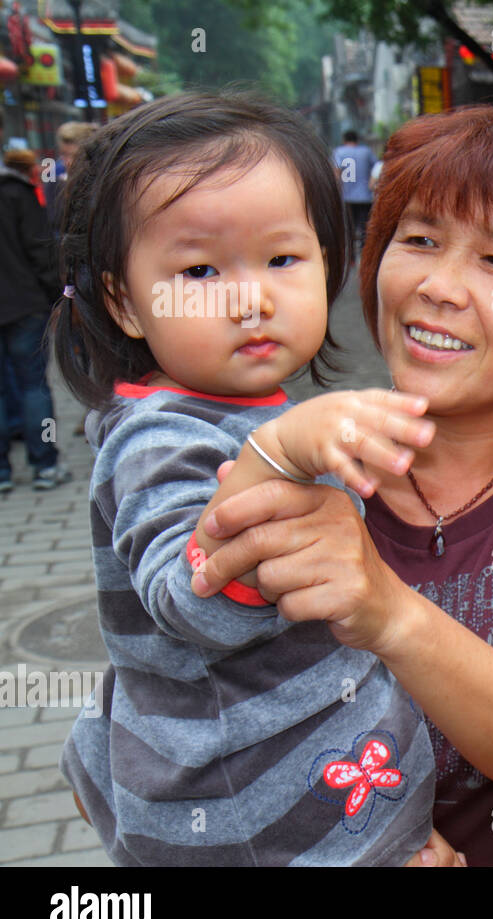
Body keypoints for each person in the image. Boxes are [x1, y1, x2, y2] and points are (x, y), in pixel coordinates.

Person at [188, 97, 493, 866]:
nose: (439, 286)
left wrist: (384, 610)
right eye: (419, 240)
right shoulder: (286, 462)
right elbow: (157, 724)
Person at [52, 92, 440, 866]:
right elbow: (188, 596)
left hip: (331, 806)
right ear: (124, 301)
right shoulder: (158, 436)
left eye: (282, 258)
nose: (251, 297)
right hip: (256, 831)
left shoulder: (246, 408)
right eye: (200, 269)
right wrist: (277, 456)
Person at [0, 138, 67, 494]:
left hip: (20, 301)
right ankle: (45, 461)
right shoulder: (18, 193)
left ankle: (2, 471)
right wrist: (55, 298)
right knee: (36, 387)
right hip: (24, 303)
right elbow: (40, 249)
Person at [333, 130, 378, 252]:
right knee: (364, 227)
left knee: (348, 228)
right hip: (365, 196)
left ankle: (351, 255)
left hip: (346, 197)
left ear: (344, 140)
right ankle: (364, 253)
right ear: (357, 140)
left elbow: (336, 173)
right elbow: (376, 168)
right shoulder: (366, 152)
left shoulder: (339, 152)